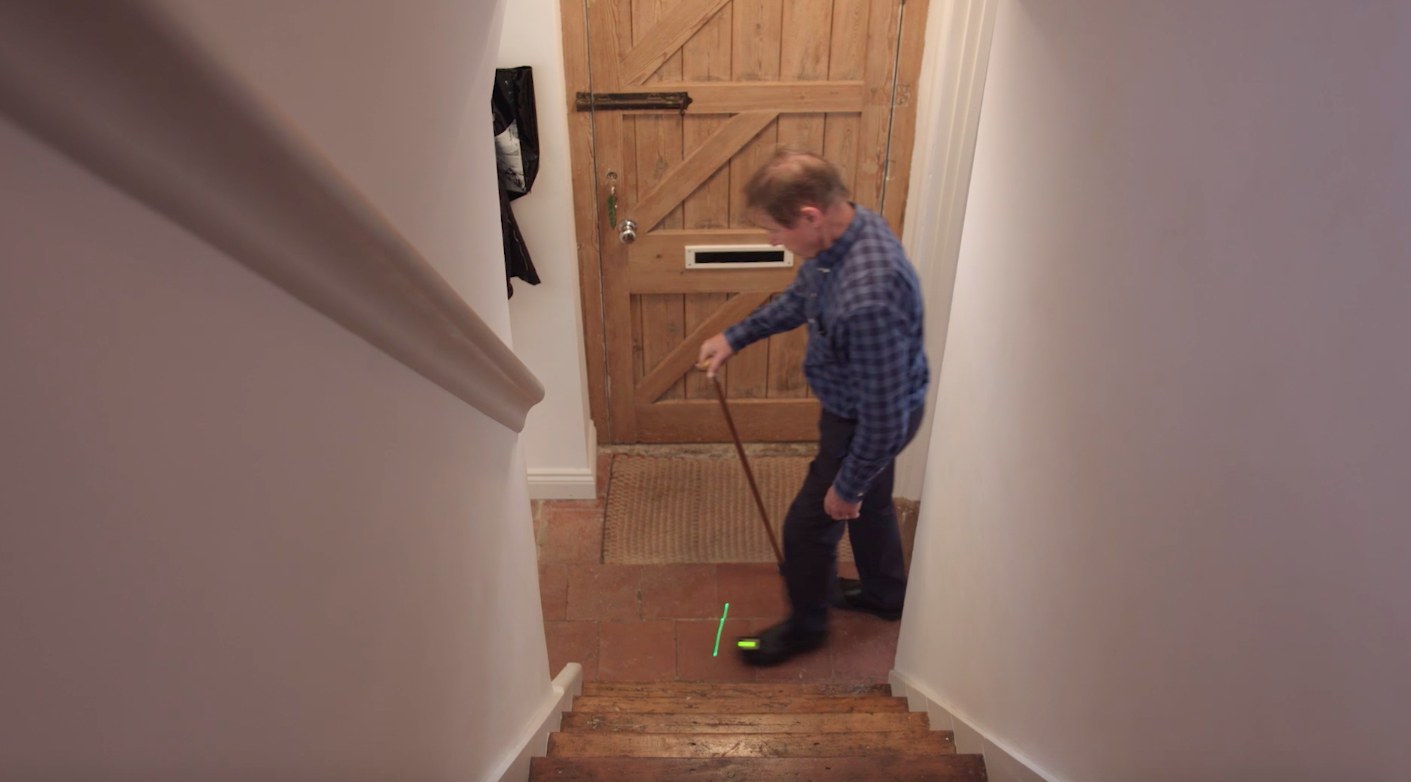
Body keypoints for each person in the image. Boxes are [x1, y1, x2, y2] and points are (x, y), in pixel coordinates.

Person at [697, 149, 929, 666]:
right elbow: (802, 299)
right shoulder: (845, 233)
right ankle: (886, 596)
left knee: (809, 524)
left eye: (775, 232)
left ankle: (805, 628)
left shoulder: (868, 294)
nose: (772, 242)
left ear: (810, 216)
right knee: (873, 505)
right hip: (868, 405)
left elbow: (884, 417)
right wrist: (737, 336)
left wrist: (847, 486)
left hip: (864, 421)